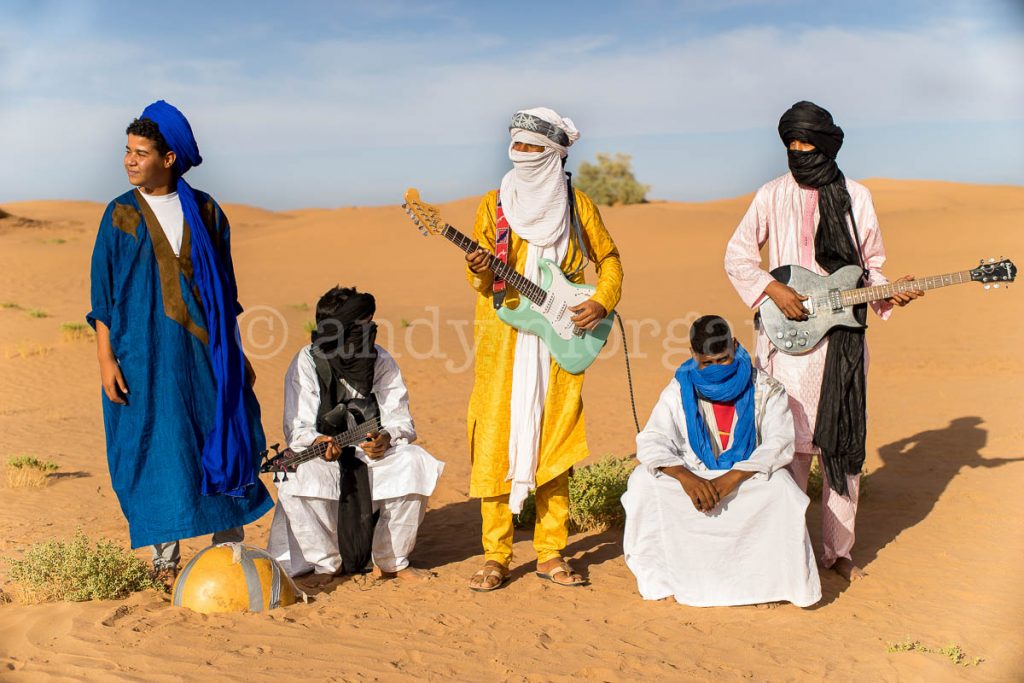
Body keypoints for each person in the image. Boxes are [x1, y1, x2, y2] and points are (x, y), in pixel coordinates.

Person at [724, 101, 922, 581]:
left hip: (841, 346)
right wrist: (773, 288)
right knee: (785, 447)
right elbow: (738, 256)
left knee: (841, 447)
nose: (799, 153)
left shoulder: (856, 196)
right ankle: (784, 548)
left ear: (827, 146)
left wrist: (891, 290)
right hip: (785, 343)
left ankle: (838, 550)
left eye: (807, 145)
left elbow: (870, 264)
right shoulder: (771, 194)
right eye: (792, 145)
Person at [87, 101, 272, 584]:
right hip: (143, 354)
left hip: (207, 353)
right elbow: (103, 296)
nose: (129, 160)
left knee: (221, 432)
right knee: (157, 445)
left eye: (141, 152)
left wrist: (236, 350)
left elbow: (225, 293)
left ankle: (229, 555)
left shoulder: (207, 211)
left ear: (168, 158)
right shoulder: (121, 216)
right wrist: (106, 357)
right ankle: (164, 561)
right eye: (127, 151)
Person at [463, 107, 623, 591]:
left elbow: (609, 257)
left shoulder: (579, 206)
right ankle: (496, 554)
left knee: (555, 442)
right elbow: (480, 278)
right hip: (504, 339)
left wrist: (600, 300)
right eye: (518, 146)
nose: (524, 155)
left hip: (563, 336)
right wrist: (479, 267)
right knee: (495, 440)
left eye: (534, 148)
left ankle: (551, 551)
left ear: (555, 153)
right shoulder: (495, 205)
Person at [622, 315, 820, 607]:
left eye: (723, 359)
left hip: (744, 481)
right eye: (707, 363)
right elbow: (652, 439)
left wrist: (732, 478)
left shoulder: (765, 388)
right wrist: (685, 478)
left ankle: (772, 585)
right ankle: (662, 578)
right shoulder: (680, 388)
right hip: (696, 481)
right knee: (641, 482)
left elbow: (779, 443)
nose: (715, 369)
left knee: (782, 488)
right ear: (694, 357)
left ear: (735, 346)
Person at [267, 286, 444, 582]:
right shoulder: (307, 363)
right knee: (293, 475)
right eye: (361, 327)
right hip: (327, 457)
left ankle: (392, 560)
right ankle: (327, 562)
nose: (369, 332)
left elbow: (401, 420)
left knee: (414, 461)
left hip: (372, 456)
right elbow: (298, 428)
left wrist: (386, 438)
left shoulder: (381, 360)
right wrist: (317, 443)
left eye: (370, 325)